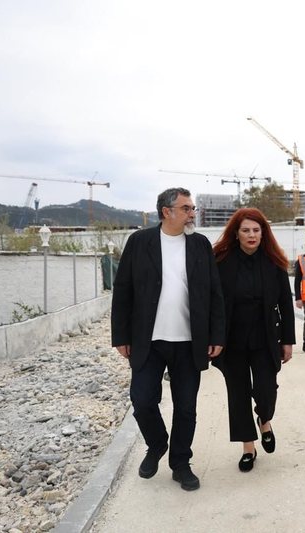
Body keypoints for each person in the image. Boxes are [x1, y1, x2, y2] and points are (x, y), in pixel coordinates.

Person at [111, 187, 225, 492]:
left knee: (186, 407)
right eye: (187, 208)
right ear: (167, 212)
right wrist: (120, 335)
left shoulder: (200, 245)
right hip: (148, 340)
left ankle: (181, 463)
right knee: (142, 400)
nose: (192, 214)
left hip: (189, 341)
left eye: (192, 208)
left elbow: (214, 292)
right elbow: (123, 290)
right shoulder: (140, 242)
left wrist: (216, 334)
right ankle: (157, 443)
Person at [211, 208, 295, 473]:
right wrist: (212, 337)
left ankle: (264, 419)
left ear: (263, 233)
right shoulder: (221, 262)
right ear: (236, 234)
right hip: (231, 340)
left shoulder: (274, 262)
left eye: (256, 230)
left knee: (266, 391)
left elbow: (286, 304)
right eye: (246, 230)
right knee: (237, 394)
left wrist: (288, 340)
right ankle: (248, 447)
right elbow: (212, 303)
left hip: (265, 338)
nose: (251, 235)